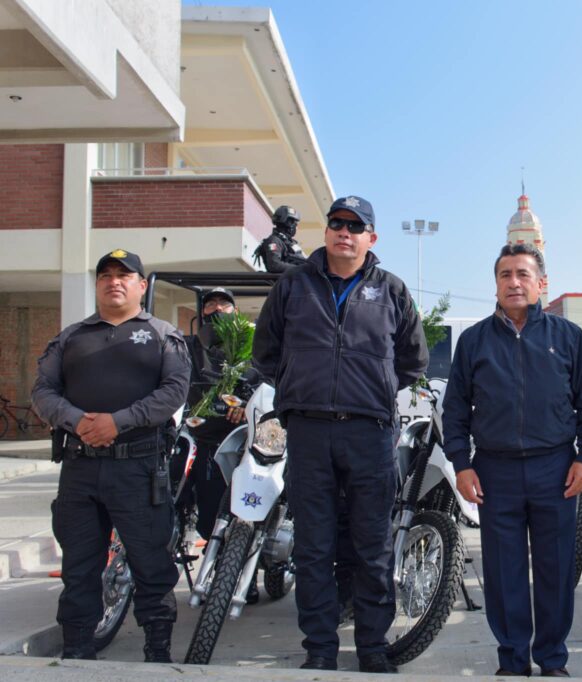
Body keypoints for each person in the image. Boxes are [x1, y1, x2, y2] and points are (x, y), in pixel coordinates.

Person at [253, 195, 428, 673]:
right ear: (327, 231)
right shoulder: (293, 286)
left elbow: (413, 360)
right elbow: (265, 351)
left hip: (370, 433)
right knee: (314, 547)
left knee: (372, 546)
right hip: (308, 432)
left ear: (371, 237)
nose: (344, 233)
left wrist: (373, 388)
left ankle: (372, 647)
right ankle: (320, 649)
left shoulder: (391, 290)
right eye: (337, 224)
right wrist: (298, 387)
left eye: (355, 226)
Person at [442, 243, 582, 677]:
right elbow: (455, 410)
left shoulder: (567, 337)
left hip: (556, 469)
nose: (513, 282)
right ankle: (513, 660)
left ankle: (552, 659)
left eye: (522, 274)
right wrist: (461, 463)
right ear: (495, 284)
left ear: (541, 283)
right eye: (505, 275)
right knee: (503, 571)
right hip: (494, 472)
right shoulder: (474, 341)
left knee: (555, 568)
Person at [33, 249, 190, 662]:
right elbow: (43, 390)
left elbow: (174, 391)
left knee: (152, 565)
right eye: (106, 275)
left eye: (124, 275)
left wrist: (118, 422)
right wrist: (75, 420)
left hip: (138, 469)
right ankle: (77, 650)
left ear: (141, 285)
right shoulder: (70, 337)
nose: (114, 281)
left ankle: (157, 654)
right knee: (79, 568)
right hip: (80, 468)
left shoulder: (162, 335)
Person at [177, 288, 263, 600]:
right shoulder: (188, 347)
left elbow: (266, 382)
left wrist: (247, 404)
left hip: (241, 439)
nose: (216, 309)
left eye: (223, 303)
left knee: (243, 510)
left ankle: (241, 571)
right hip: (200, 436)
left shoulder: (252, 345)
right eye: (210, 304)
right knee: (202, 509)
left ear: (235, 310)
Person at [254, 205, 307, 273]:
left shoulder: (289, 243)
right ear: (289, 224)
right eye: (295, 224)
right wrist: (300, 269)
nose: (296, 228)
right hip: (284, 279)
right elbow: (274, 265)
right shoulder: (274, 241)